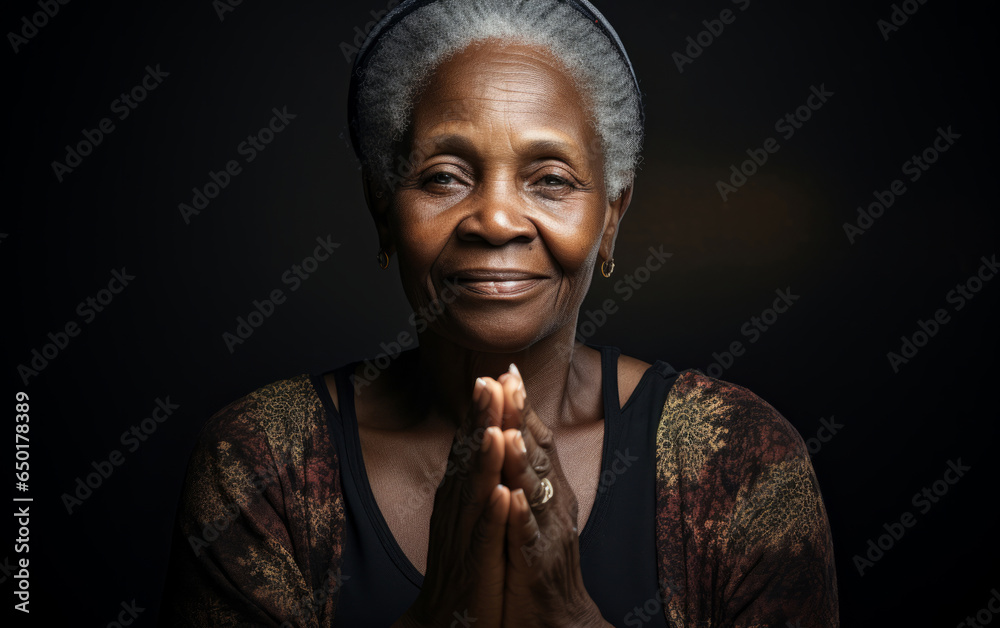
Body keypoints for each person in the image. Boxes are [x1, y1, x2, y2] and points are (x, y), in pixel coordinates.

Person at [159, 0, 839, 626]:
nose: (495, 219)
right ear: (382, 209)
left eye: (551, 180)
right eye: (444, 176)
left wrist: (570, 615)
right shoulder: (261, 464)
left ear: (611, 217)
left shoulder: (743, 461)